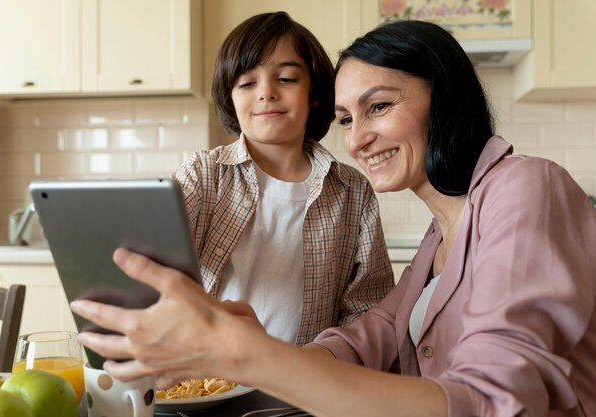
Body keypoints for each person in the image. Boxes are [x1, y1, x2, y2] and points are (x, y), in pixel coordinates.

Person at [71, 20, 596, 417]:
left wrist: (243, 354)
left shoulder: (526, 185)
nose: (357, 138)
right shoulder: (440, 235)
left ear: (448, 101)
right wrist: (261, 351)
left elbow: (493, 400)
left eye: (380, 106)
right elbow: (370, 335)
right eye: (347, 119)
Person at [170, 11, 392, 345]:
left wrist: (326, 360)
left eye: (286, 79)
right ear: (231, 98)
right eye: (247, 83)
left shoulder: (352, 191)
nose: (266, 92)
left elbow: (366, 306)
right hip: (209, 379)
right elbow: (157, 258)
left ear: (315, 94)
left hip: (303, 383)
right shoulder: (204, 174)